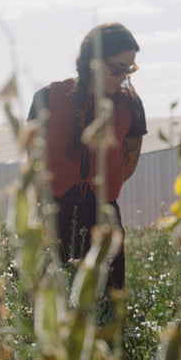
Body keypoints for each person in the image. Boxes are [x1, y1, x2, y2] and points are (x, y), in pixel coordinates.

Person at [27, 22, 146, 291]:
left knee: (107, 306)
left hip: (104, 219)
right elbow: (33, 162)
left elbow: (129, 164)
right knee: (52, 302)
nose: (124, 76)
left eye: (130, 69)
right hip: (52, 217)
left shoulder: (131, 105)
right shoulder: (46, 99)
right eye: (118, 68)